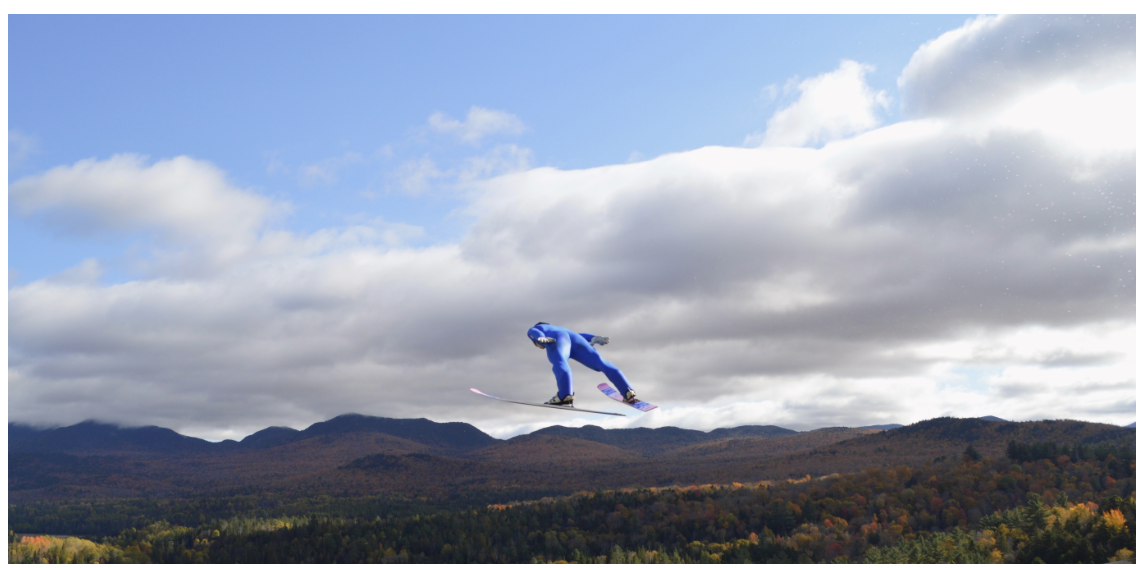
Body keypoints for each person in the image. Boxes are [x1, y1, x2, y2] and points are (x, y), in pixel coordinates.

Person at [527, 322, 637, 406]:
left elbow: (532, 331)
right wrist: (593, 337)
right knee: (600, 363)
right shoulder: (562, 329)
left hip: (557, 339)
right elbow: (577, 336)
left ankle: (565, 396)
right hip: (575, 339)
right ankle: (627, 391)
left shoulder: (541, 329)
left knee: (559, 361)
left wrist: (538, 337)